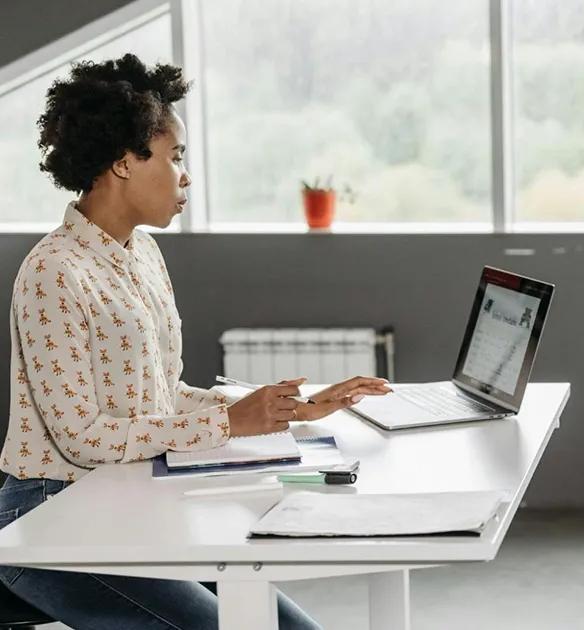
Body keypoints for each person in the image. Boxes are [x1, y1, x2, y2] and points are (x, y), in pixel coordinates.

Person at [0, 54, 391, 629]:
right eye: (175, 156)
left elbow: (163, 396)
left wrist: (285, 409)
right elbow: (82, 438)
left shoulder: (143, 253)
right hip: (50, 519)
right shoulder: (54, 271)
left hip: (130, 500)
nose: (185, 176)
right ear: (123, 162)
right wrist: (230, 423)